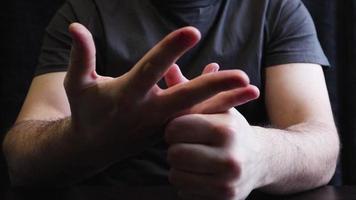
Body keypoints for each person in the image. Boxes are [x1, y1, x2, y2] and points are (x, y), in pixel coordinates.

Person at [3, 0, 339, 199]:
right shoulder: (84, 10)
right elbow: (20, 159)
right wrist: (88, 139)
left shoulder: (276, 8)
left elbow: (321, 145)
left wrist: (258, 156)